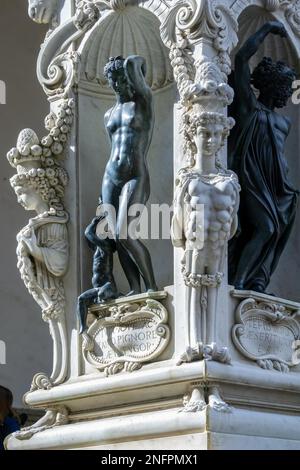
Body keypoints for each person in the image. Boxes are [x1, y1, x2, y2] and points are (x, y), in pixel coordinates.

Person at [228, 21, 299, 293]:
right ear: (271, 84)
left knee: (273, 232)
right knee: (266, 228)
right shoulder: (249, 106)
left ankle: (257, 280)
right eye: (284, 83)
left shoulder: (285, 123)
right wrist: (266, 28)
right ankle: (240, 284)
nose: (288, 90)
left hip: (277, 187)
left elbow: (280, 156)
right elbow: (241, 58)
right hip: (252, 178)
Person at [102, 55, 158, 297]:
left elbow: (136, 62)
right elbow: (113, 147)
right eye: (113, 81)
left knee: (125, 232)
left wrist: (127, 67)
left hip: (135, 174)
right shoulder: (109, 114)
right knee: (116, 237)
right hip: (110, 177)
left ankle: (151, 286)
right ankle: (135, 288)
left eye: (122, 80)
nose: (118, 85)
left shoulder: (143, 102)